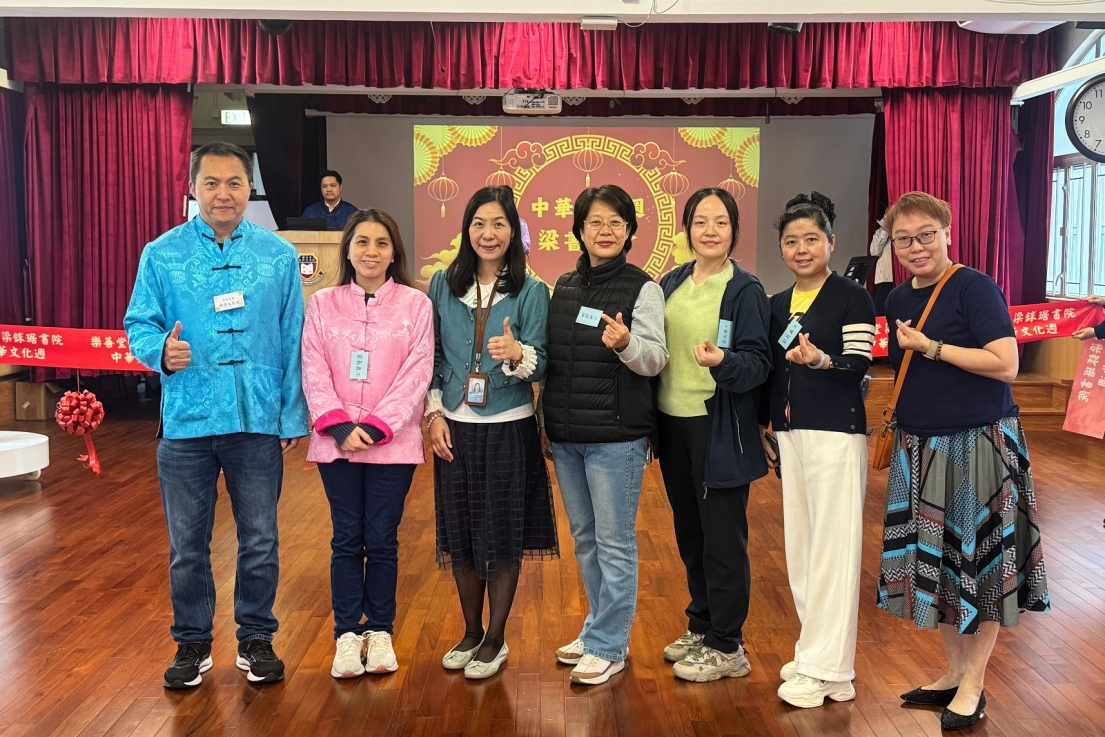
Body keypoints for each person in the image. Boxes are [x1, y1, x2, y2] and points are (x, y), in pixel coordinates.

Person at [124, 142, 310, 689]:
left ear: (249, 188)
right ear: (192, 188)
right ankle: (192, 643)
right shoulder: (161, 254)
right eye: (211, 183)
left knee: (260, 538)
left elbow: (293, 338)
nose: (223, 193)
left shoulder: (277, 256)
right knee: (187, 546)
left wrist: (291, 415)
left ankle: (256, 637)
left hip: (256, 419)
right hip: (187, 421)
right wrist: (160, 351)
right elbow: (138, 324)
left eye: (234, 183)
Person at [877, 191, 1049, 731]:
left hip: (979, 447)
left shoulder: (975, 287)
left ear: (947, 232)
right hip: (921, 447)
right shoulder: (898, 297)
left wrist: (931, 347)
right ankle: (953, 673)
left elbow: (1006, 364)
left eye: (926, 234)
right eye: (903, 239)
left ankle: (974, 682)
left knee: (982, 568)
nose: (916, 247)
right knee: (942, 569)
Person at [425, 185, 558, 680]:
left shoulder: (532, 290)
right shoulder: (443, 284)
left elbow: (543, 361)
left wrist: (518, 353)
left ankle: (496, 638)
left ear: (513, 232)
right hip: (454, 426)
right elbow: (433, 355)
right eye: (479, 223)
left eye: (499, 224)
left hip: (508, 425)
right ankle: (470, 631)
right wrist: (434, 414)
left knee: (501, 534)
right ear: (467, 229)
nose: (488, 233)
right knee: (460, 531)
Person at [541, 184, 669, 686]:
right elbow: (555, 361)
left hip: (616, 439)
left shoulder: (644, 288)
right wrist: (546, 423)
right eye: (595, 221)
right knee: (586, 540)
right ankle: (598, 628)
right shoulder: (565, 285)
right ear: (579, 230)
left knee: (614, 543)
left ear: (630, 230)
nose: (605, 230)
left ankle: (609, 644)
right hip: (567, 437)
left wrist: (627, 343)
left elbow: (655, 359)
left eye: (616, 222)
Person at [300, 209, 434, 679]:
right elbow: (313, 367)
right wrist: (338, 426)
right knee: (345, 538)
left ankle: (379, 630)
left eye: (381, 243)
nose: (371, 252)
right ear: (348, 249)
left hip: (392, 444)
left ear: (394, 252)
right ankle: (345, 634)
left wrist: (377, 427)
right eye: (362, 242)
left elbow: (418, 370)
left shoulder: (416, 305)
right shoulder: (322, 304)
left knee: (381, 539)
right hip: (336, 444)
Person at [758, 193, 875, 708]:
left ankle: (825, 666)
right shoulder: (777, 303)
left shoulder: (852, 296)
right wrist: (765, 427)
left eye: (811, 239)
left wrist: (821, 360)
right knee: (803, 549)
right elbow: (772, 373)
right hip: (791, 434)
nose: (801, 249)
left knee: (834, 549)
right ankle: (822, 661)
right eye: (791, 241)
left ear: (830, 242)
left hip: (835, 433)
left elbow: (859, 366)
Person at [652, 187, 770, 684]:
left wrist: (723, 361)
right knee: (691, 535)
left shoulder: (744, 290)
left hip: (717, 427)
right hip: (671, 423)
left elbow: (758, 363)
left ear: (734, 231)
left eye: (721, 222)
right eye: (700, 221)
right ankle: (702, 624)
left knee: (723, 538)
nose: (710, 231)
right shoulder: (671, 281)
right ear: (687, 229)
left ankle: (728, 644)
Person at [870, 216, 893, 316]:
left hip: (900, 279)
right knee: (880, 315)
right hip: (884, 281)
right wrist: (885, 229)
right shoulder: (880, 232)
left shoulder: (901, 231)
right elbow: (874, 251)